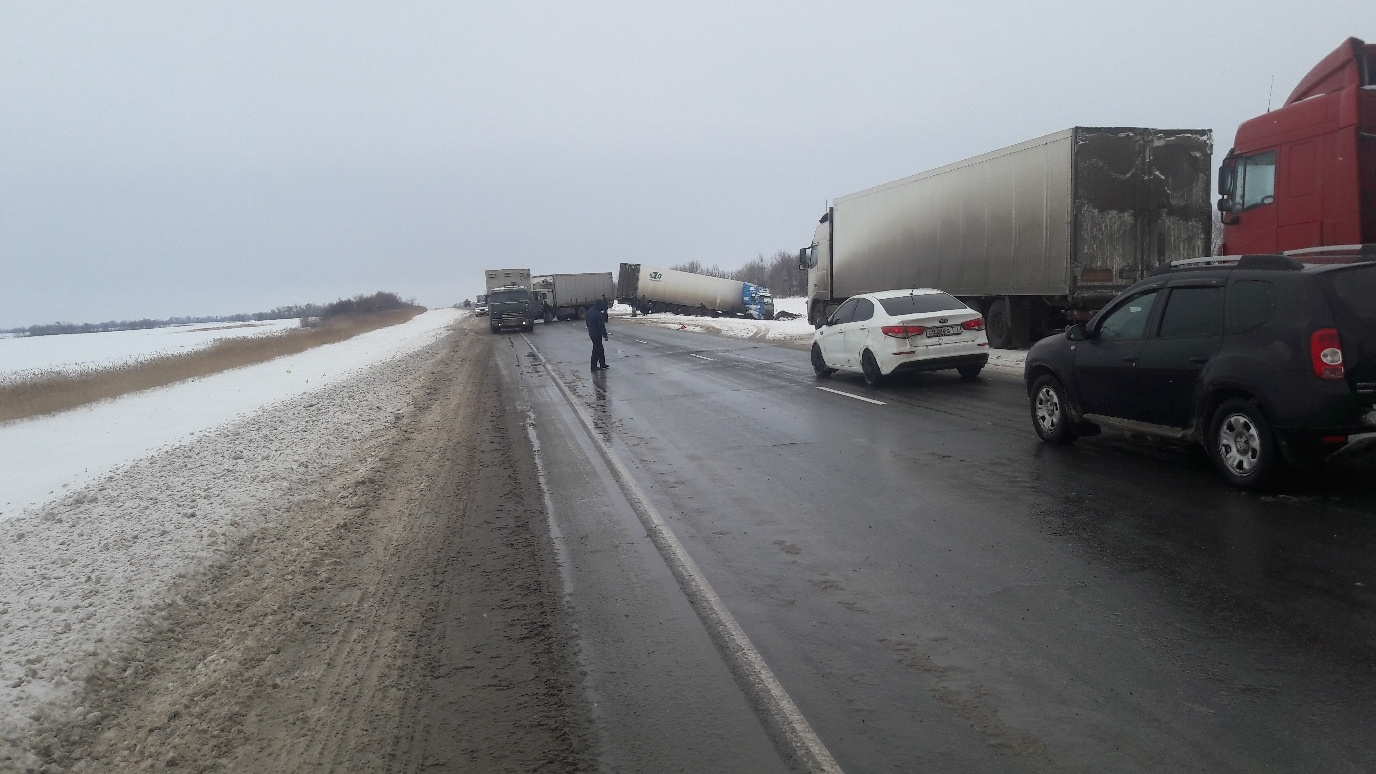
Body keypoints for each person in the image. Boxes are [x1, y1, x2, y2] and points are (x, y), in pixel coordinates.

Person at [586, 299, 609, 370]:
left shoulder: (589, 312)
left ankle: (602, 363)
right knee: (596, 349)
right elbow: (601, 325)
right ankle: (594, 366)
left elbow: (587, 323)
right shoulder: (598, 314)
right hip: (597, 334)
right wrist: (605, 335)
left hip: (592, 333)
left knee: (599, 348)